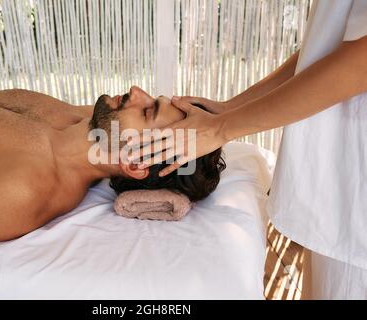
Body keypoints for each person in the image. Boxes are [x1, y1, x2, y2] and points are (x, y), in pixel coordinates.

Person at [133, 0, 367, 299]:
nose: (137, 92)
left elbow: (360, 63)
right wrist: (228, 111)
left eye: (148, 110)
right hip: (341, 188)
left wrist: (221, 127)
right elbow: (326, 49)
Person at [0, 86, 225, 244]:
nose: (136, 92)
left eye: (147, 112)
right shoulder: (77, 120)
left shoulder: (25, 188)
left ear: (135, 163)